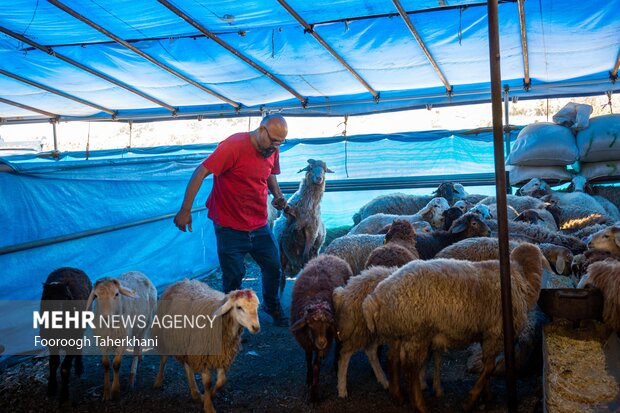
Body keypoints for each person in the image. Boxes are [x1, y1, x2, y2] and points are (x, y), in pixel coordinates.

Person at [173, 114, 289, 326]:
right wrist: (185, 210)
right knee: (234, 276)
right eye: (273, 140)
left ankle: (271, 305)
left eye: (280, 142)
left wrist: (277, 195)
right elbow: (201, 171)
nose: (276, 146)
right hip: (229, 225)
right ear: (261, 130)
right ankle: (231, 321)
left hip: (258, 222)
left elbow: (270, 173)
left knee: (273, 266)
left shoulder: (272, 149)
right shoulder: (233, 145)